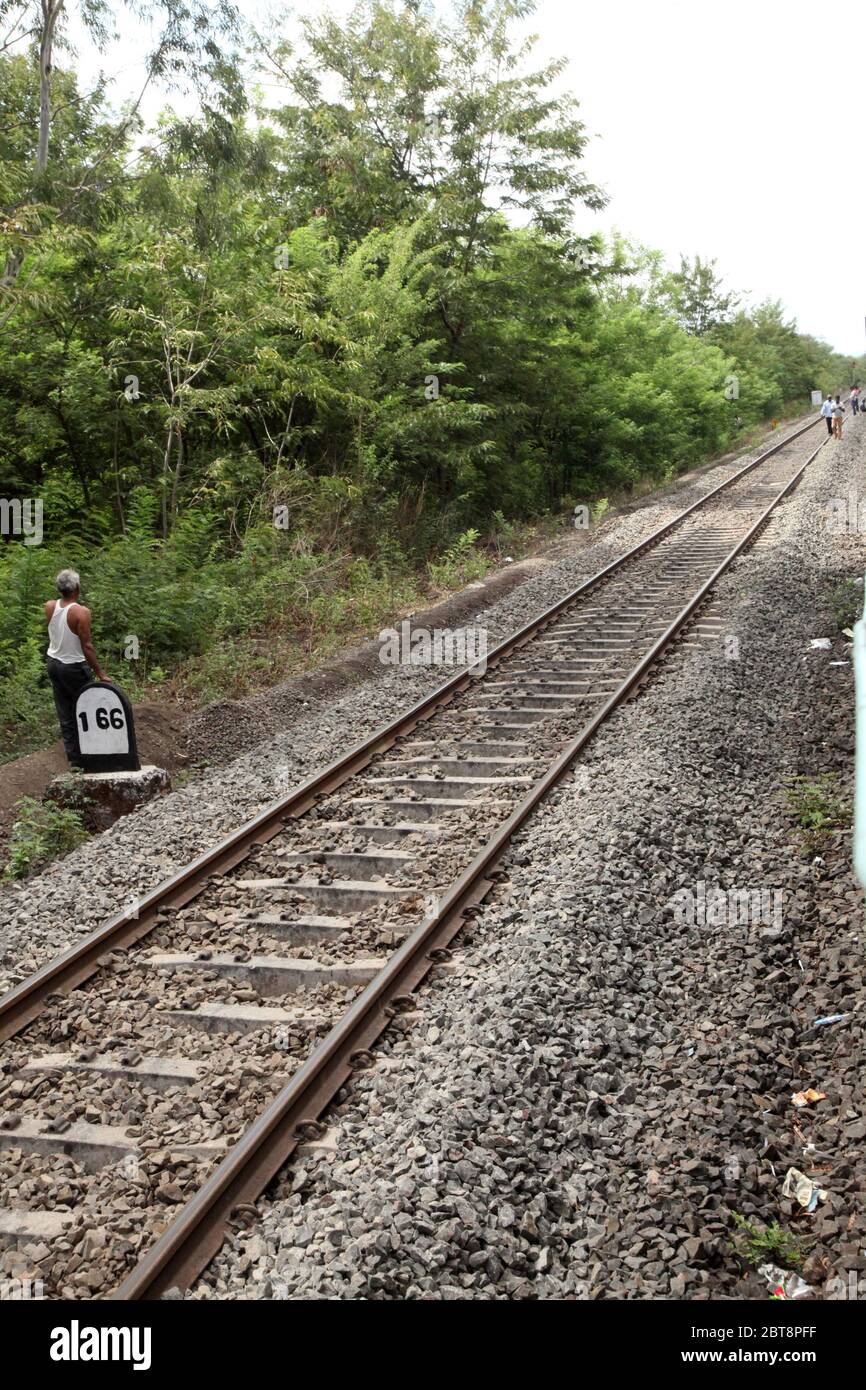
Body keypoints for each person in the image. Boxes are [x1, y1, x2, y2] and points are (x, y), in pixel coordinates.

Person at [45, 569, 109, 767]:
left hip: (53, 663)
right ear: (77, 588)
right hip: (73, 666)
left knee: (65, 714)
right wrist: (100, 673)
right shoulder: (81, 612)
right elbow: (87, 646)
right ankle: (95, 755)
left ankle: (75, 761)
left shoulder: (49, 606)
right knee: (88, 708)